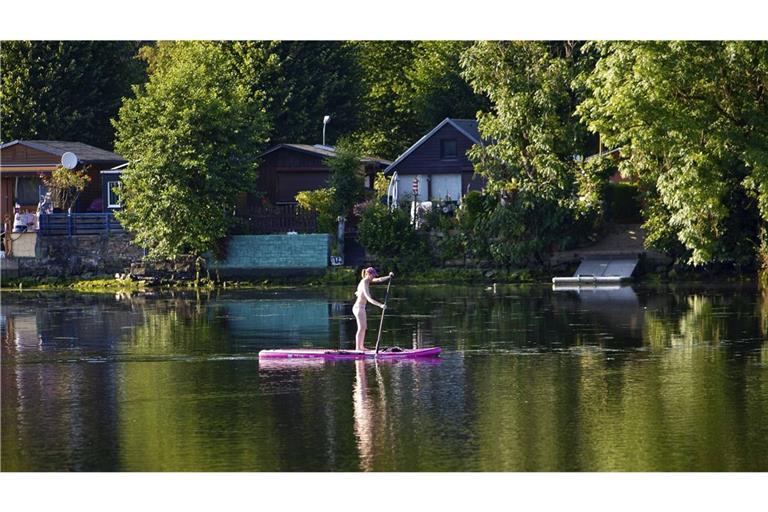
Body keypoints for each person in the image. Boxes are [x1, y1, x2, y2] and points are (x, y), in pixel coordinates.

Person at [352, 267, 394, 351]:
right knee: (361, 327)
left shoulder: (368, 280)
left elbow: (379, 280)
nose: (373, 277)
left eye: (374, 275)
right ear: (368, 274)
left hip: (361, 307)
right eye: (372, 275)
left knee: (364, 327)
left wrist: (389, 277)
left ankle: (361, 347)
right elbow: (368, 298)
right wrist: (380, 305)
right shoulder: (364, 282)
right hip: (358, 307)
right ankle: (358, 348)